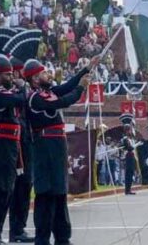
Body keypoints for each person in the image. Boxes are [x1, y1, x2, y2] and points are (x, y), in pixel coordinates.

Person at [24, 56, 97, 245]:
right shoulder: (34, 98)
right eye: (44, 73)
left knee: (60, 191)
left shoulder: (49, 92)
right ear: (34, 79)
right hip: (44, 146)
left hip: (57, 145)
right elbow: (63, 101)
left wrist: (86, 69)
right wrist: (81, 88)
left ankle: (62, 237)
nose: (49, 75)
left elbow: (67, 86)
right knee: (46, 192)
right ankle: (42, 238)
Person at [0, 54, 27, 245]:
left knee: (6, 191)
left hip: (9, 145)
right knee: (0, 192)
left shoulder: (3, 91)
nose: (11, 77)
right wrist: (22, 87)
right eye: (7, 74)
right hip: (1, 145)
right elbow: (20, 99)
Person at [4, 30, 43, 244]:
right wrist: (23, 88)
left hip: (27, 142)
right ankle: (16, 229)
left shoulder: (26, 91)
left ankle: (19, 228)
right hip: (19, 144)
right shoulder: (14, 92)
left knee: (26, 186)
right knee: (20, 186)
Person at [120, 114, 138, 195]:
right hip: (128, 156)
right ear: (125, 130)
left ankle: (129, 189)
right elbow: (129, 148)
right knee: (128, 173)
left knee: (131, 173)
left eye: (129, 129)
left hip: (131, 156)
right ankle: (127, 190)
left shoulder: (130, 138)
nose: (129, 131)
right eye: (128, 130)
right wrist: (137, 144)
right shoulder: (124, 139)